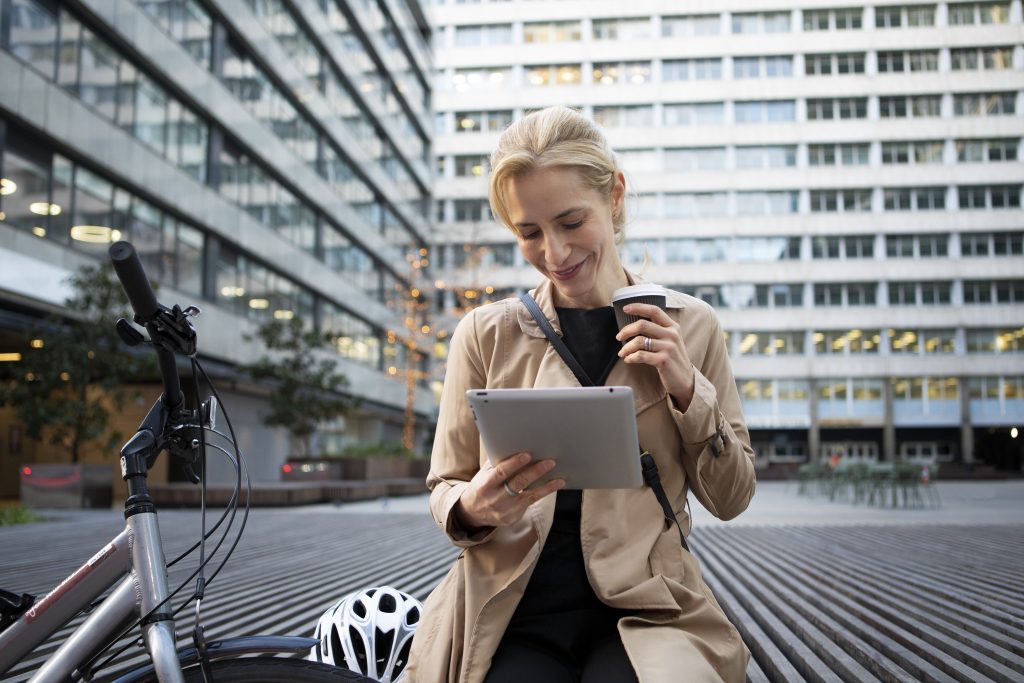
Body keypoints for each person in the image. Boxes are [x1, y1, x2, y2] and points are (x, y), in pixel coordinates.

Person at [406, 106, 756, 683]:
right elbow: (446, 484)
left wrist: (689, 388)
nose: (555, 253)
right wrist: (474, 507)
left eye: (571, 222)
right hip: (508, 609)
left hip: (649, 606)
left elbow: (732, 497)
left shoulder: (691, 326)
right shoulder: (485, 334)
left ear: (614, 196)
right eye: (529, 233)